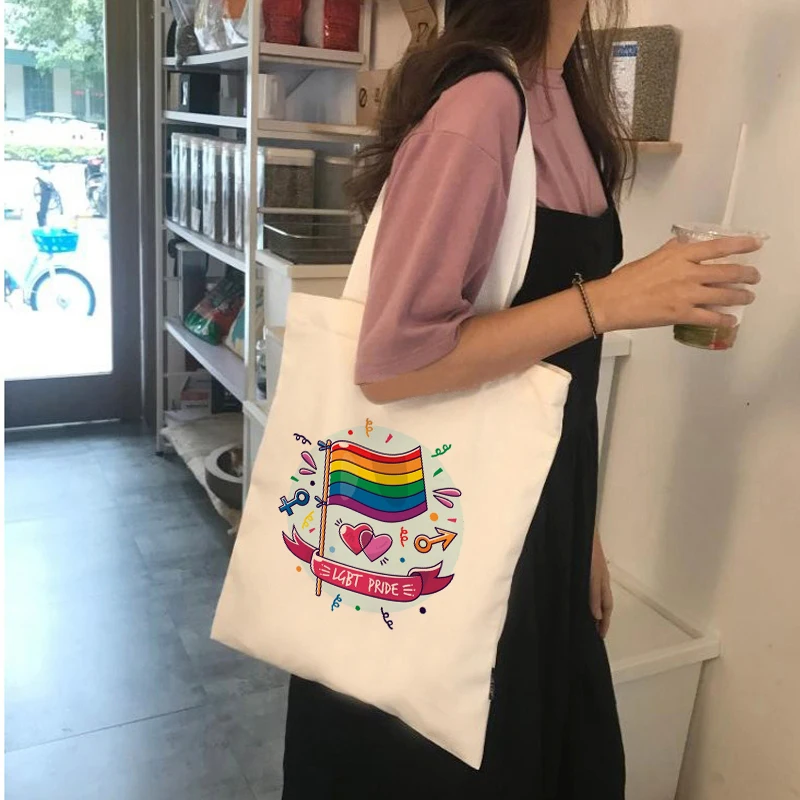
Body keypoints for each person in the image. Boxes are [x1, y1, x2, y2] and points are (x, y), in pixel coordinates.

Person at [282, 1, 761, 797]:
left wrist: (584, 531)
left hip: (536, 515)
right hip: (450, 530)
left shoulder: (561, 91)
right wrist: (613, 299)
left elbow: (552, 367)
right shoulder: (484, 101)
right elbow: (393, 362)